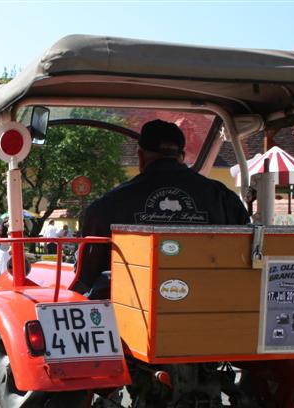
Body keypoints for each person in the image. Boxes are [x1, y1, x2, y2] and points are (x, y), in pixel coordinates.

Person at [74, 119, 250, 293]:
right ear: (181, 157)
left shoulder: (107, 205)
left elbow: (86, 275)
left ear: (141, 157)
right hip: (209, 305)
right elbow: (245, 257)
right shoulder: (223, 198)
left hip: (129, 309)